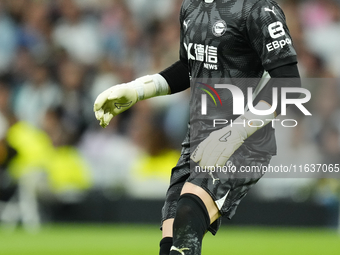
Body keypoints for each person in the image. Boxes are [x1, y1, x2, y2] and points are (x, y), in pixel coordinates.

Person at [94, 0, 300, 254]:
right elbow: (188, 66)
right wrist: (137, 90)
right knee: (171, 241)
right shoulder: (191, 6)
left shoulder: (257, 8)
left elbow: (289, 83)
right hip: (199, 138)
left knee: (188, 212)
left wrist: (236, 131)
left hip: (247, 137)